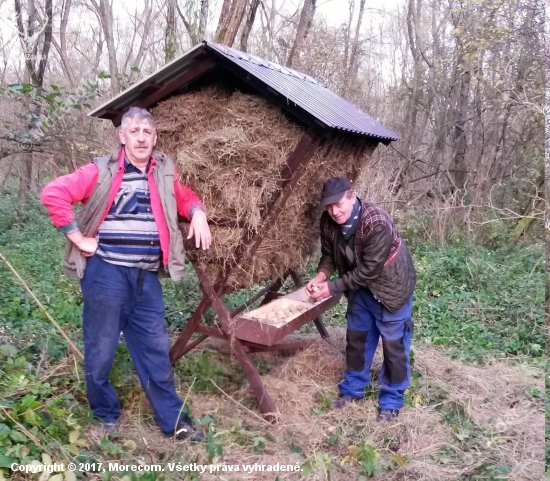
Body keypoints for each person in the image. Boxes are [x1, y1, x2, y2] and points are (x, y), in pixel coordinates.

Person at [41, 107, 211, 441]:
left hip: (146, 280)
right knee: (101, 349)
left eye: (147, 132)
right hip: (107, 275)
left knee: (155, 352)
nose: (141, 138)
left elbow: (184, 196)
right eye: (134, 131)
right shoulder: (100, 170)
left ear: (155, 137)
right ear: (122, 137)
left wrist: (198, 212)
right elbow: (54, 193)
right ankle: (105, 415)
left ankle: (174, 422)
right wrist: (77, 237)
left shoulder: (163, 173)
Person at [306, 177, 416, 421]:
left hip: (391, 290)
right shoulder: (328, 222)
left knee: (394, 346)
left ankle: (391, 400)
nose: (334, 211)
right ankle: (354, 388)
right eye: (329, 206)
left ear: (351, 196)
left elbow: (369, 270)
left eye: (338, 204)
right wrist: (322, 275)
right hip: (358, 289)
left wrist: (332, 287)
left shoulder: (375, 222)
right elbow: (329, 254)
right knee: (357, 339)